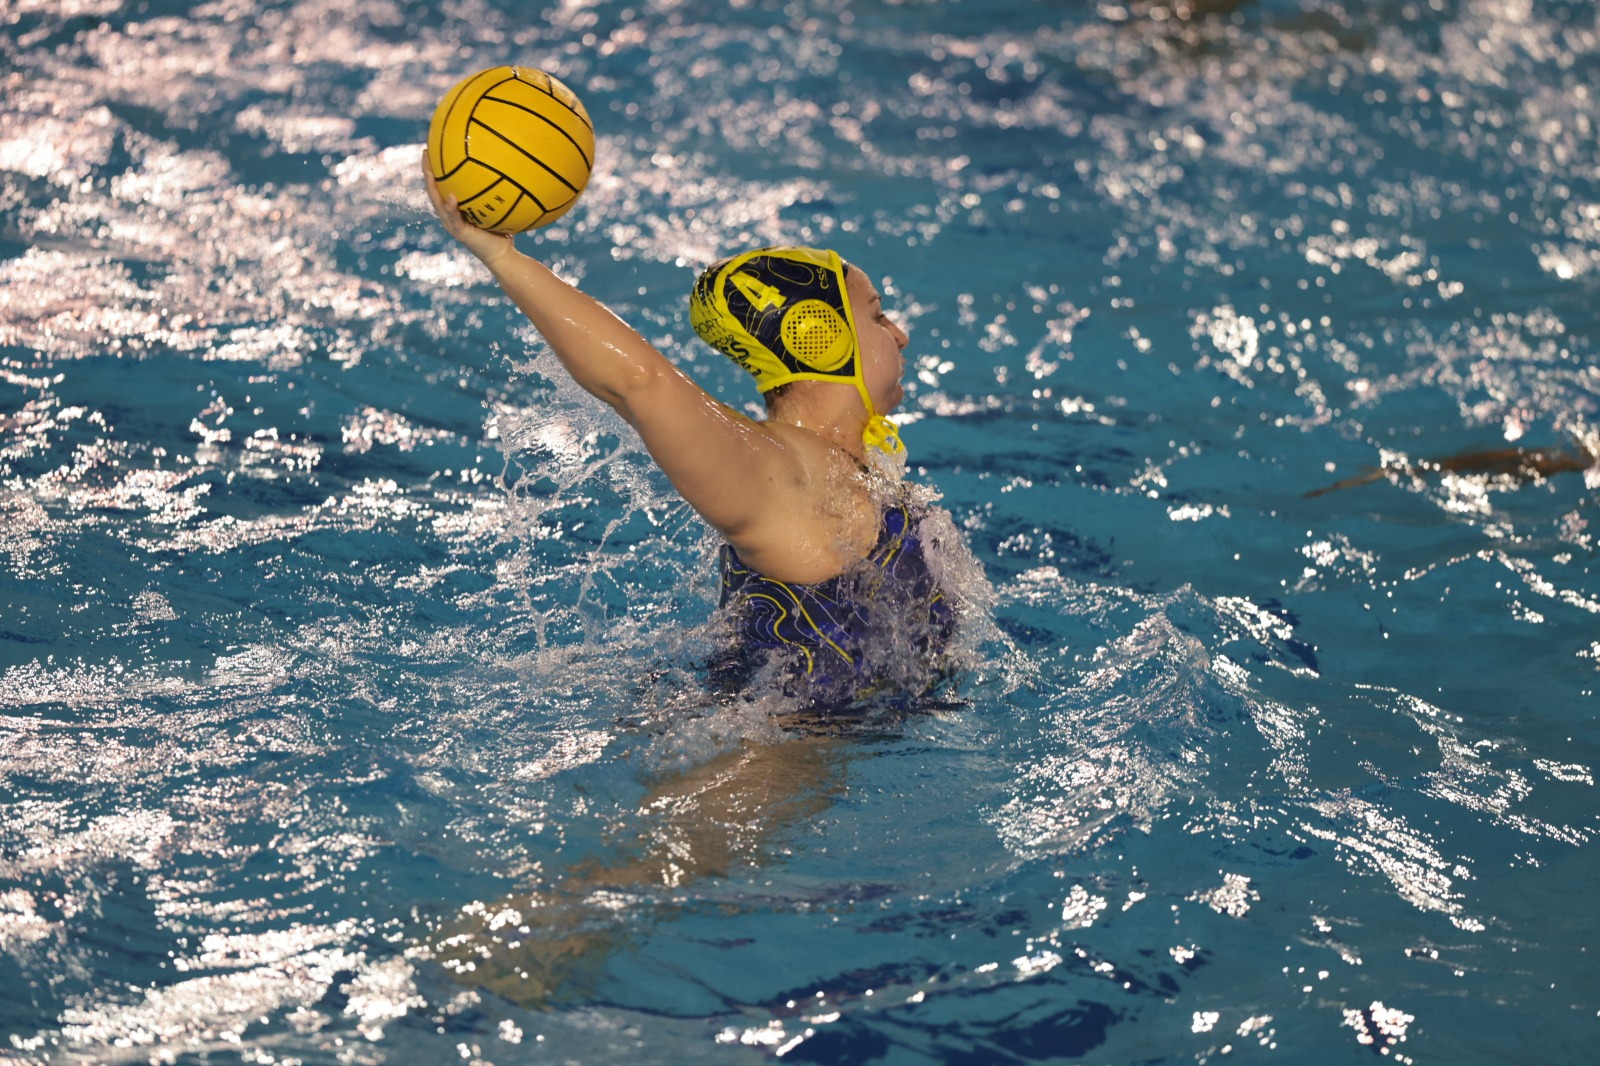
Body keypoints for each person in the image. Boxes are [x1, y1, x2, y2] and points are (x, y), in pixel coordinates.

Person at [421, 152, 969, 706]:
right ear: (818, 335)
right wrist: (502, 257)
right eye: (876, 315)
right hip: (780, 747)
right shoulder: (782, 476)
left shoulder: (843, 463)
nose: (899, 334)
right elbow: (642, 383)